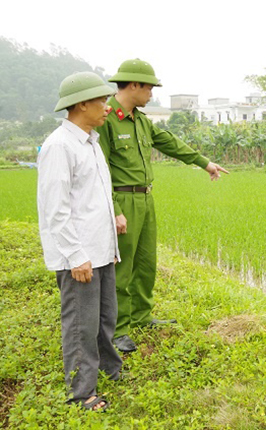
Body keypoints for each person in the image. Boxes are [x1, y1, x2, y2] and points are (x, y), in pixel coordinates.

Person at [97, 59, 229, 353]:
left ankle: (142, 316)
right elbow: (100, 168)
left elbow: (171, 143)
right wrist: (115, 208)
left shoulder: (141, 121)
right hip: (123, 200)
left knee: (145, 262)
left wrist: (204, 163)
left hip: (146, 198)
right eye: (149, 88)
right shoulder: (106, 120)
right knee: (123, 267)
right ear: (133, 85)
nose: (152, 94)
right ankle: (118, 329)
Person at [37, 72, 122, 411]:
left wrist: (114, 219)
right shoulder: (60, 146)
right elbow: (55, 209)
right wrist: (75, 255)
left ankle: (109, 370)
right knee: (80, 326)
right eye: (102, 101)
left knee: (105, 318)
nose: (107, 107)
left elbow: (92, 193)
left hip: (100, 248)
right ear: (82, 104)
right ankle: (81, 393)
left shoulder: (91, 141)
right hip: (79, 255)